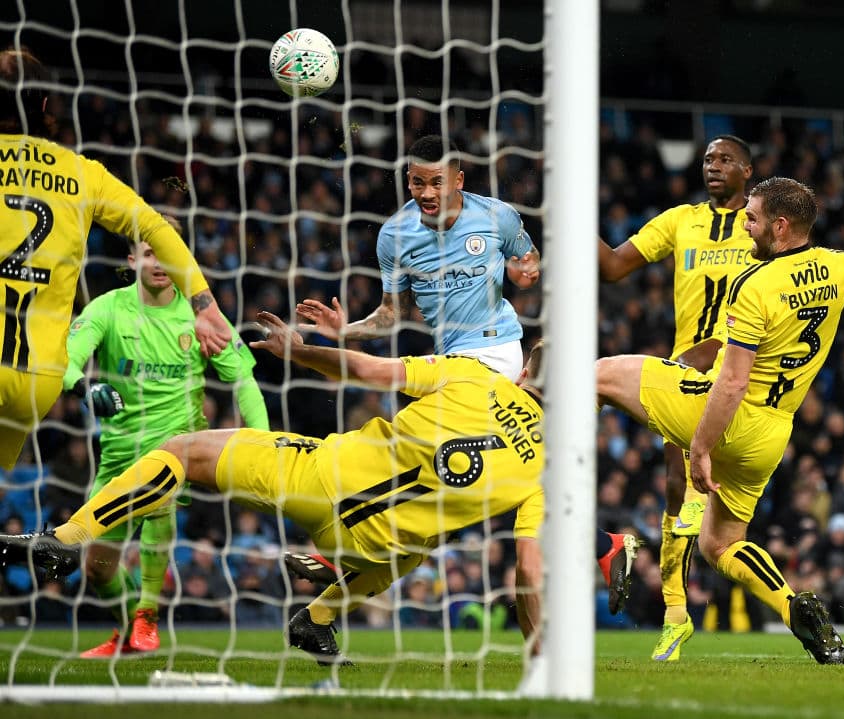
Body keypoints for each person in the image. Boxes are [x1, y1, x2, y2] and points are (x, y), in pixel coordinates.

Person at [0, 318, 550, 663]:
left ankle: (67, 539)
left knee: (183, 452)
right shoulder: (548, 471)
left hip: (322, 477)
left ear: (524, 370)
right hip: (372, 549)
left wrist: (299, 352)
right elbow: (528, 570)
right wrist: (538, 653)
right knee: (424, 542)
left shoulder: (477, 376)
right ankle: (318, 619)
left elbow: (367, 370)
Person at [596, 177, 844, 664]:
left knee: (597, 377)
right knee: (721, 545)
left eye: (753, 218)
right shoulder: (840, 266)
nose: (746, 225)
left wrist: (700, 448)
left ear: (780, 227)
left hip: (726, 414)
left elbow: (733, 382)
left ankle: (586, 532)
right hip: (772, 434)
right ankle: (792, 606)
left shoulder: (756, 285)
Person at [0, 48, 232, 471]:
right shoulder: (82, 173)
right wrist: (204, 304)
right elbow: (157, 228)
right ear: (46, 104)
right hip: (37, 380)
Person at [63, 229, 269, 657]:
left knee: (161, 491)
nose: (159, 263)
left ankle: (148, 613)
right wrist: (85, 388)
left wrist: (262, 443)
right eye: (149, 253)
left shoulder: (202, 318)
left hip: (176, 448)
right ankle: (128, 632)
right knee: (97, 569)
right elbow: (66, 361)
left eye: (167, 254)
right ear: (132, 260)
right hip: (118, 454)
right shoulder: (108, 308)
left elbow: (245, 382)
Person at [597, 134, 756, 660]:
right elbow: (613, 266)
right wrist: (569, 218)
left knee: (701, 496)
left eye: (725, 159)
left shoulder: (759, 225)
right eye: (708, 159)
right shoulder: (680, 221)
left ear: (747, 171)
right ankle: (675, 615)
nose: (713, 166)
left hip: (739, 364)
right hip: (685, 365)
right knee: (673, 488)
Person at [294, 134, 540, 381]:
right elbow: (392, 312)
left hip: (497, 347)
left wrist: (526, 274)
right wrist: (347, 330)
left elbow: (530, 259)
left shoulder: (496, 215)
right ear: (409, 180)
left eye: (437, 183)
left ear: (459, 180)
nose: (427, 193)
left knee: (384, 376)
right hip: (448, 356)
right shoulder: (394, 235)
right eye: (418, 183)